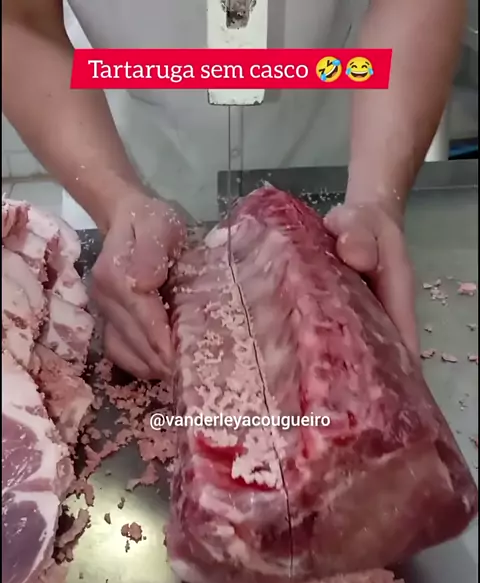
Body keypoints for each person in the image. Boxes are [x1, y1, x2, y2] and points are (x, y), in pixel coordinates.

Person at [2, 0, 466, 379]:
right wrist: (114, 198)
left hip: (339, 140)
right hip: (122, 137)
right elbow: (21, 18)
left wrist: (376, 194)